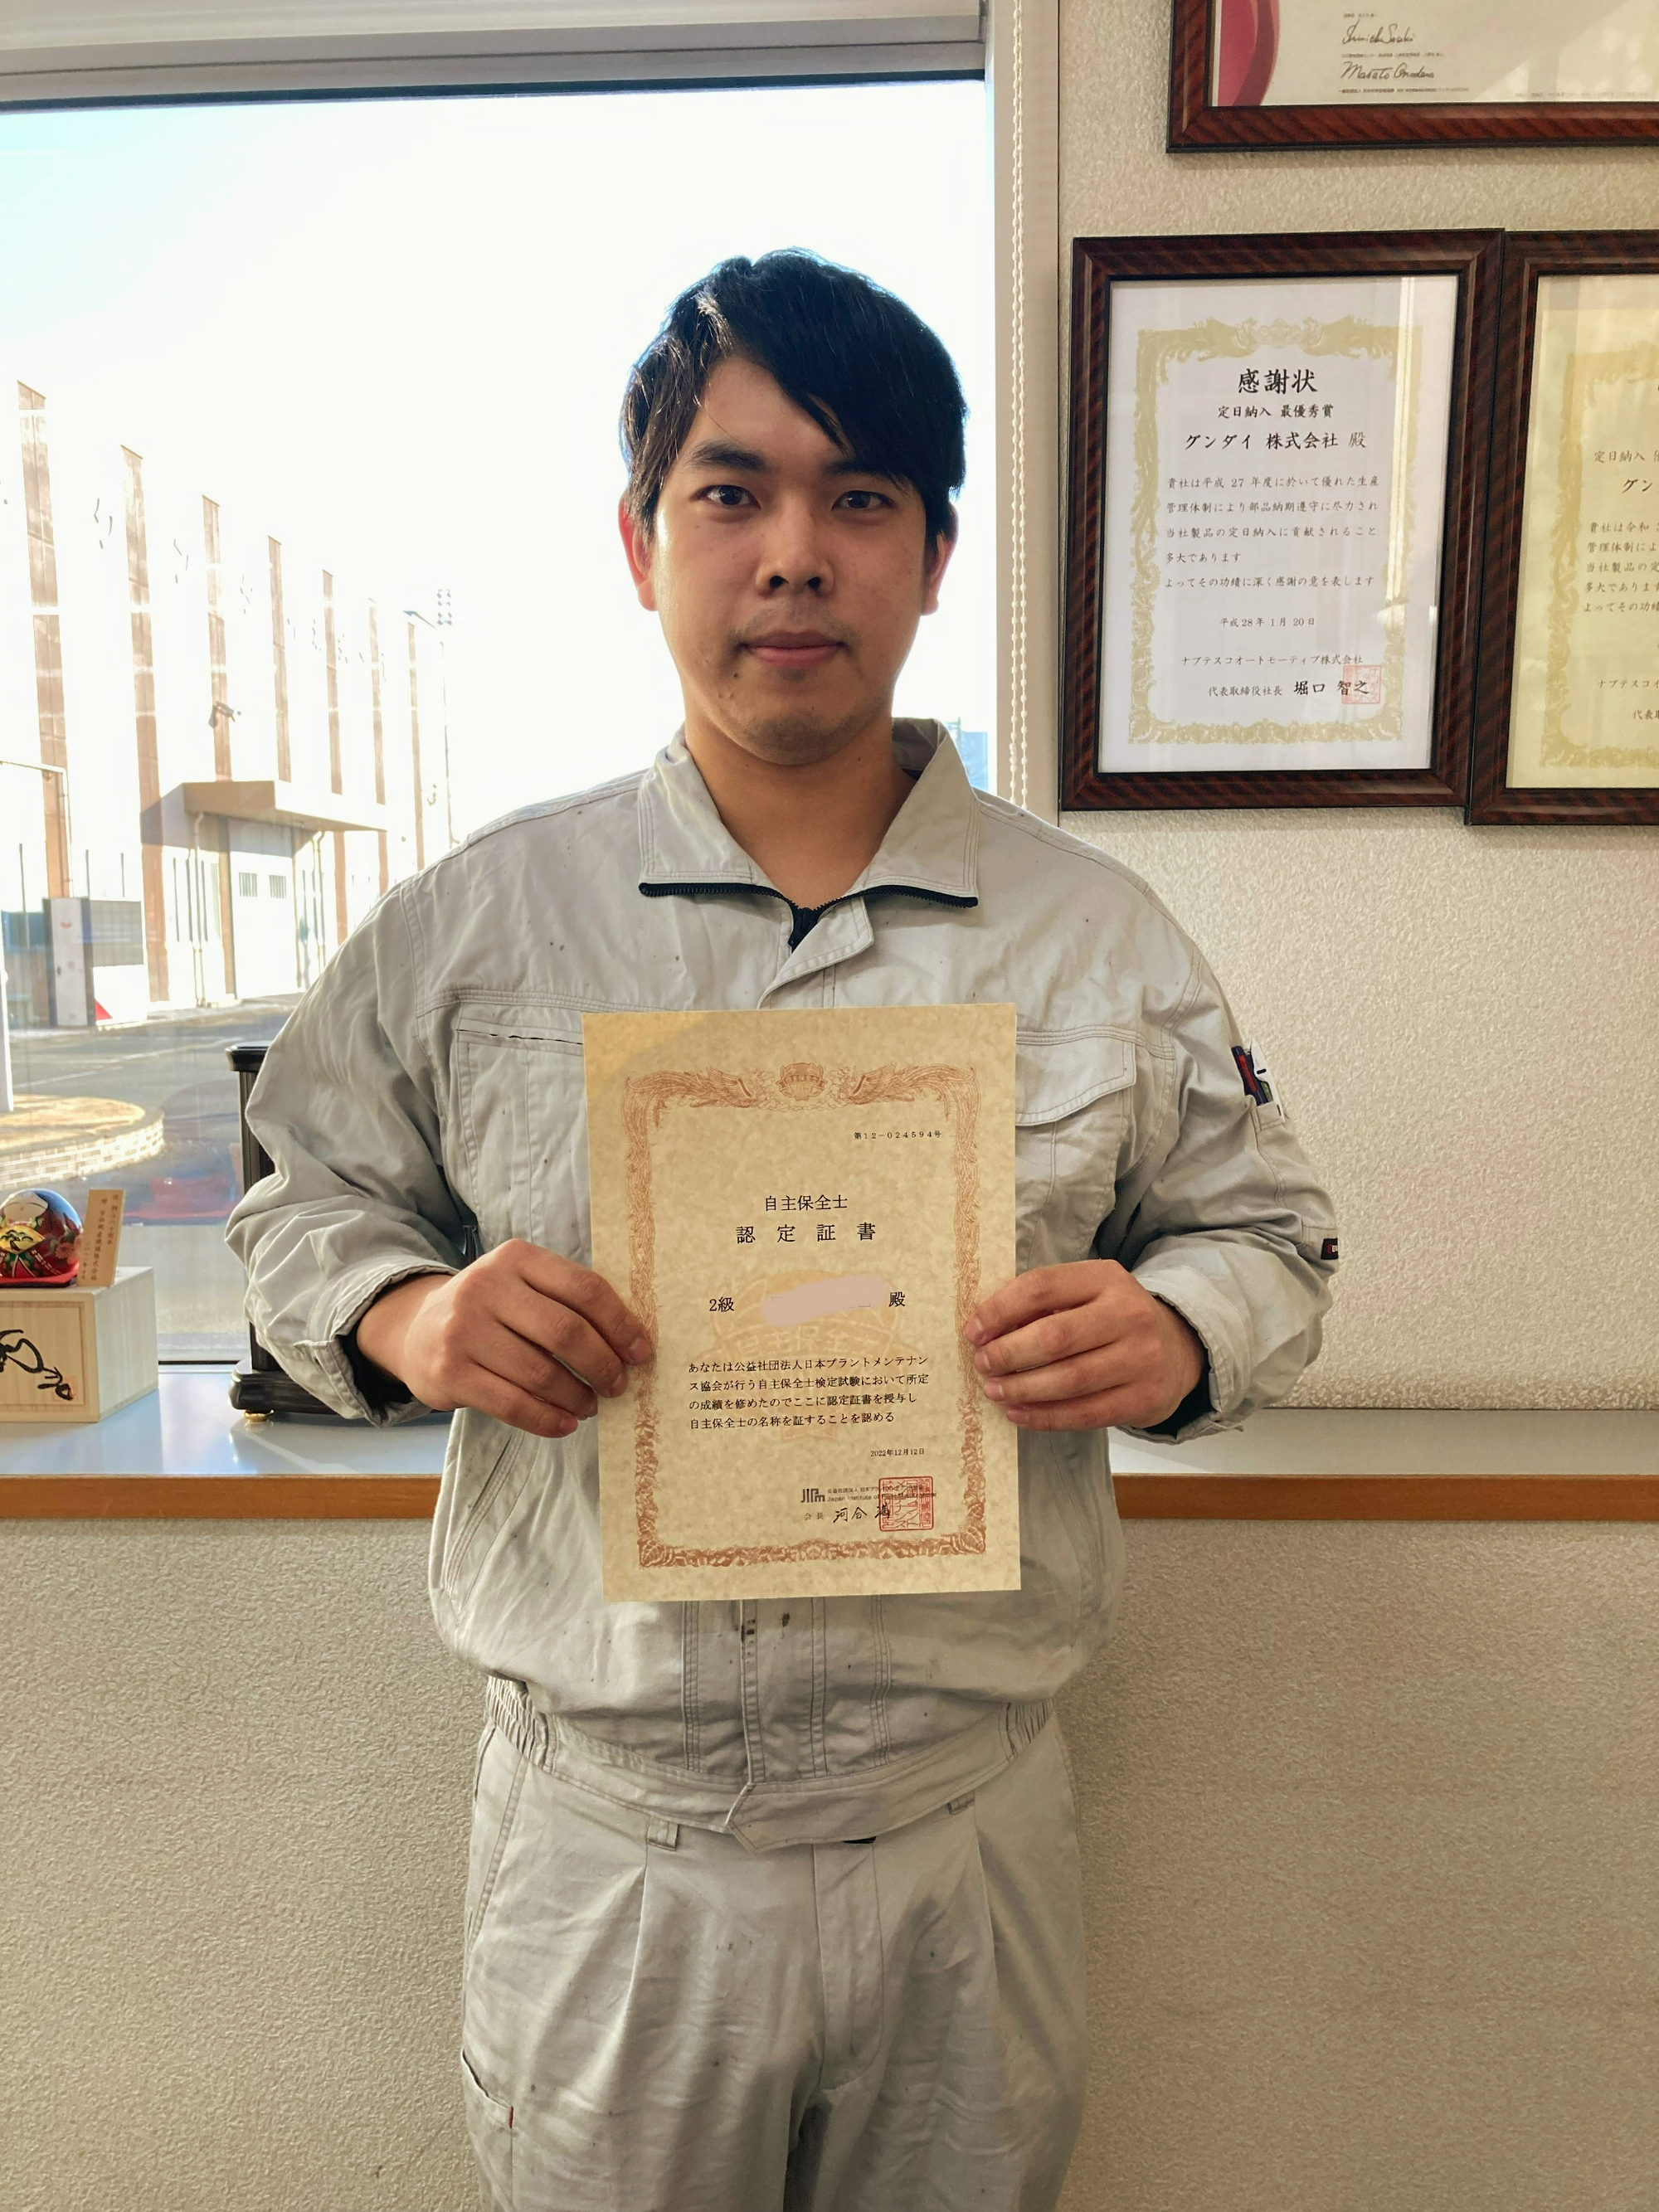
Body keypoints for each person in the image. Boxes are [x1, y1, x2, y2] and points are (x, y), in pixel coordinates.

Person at [227, 250, 1338, 2212]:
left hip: (962, 1826)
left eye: (860, 496)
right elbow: (299, 1198)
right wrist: (409, 1314)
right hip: (616, 1844)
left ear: (933, 555)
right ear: (639, 541)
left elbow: (1267, 1231)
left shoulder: (1098, 936)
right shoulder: (478, 926)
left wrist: (1176, 1330)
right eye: (730, 491)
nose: (795, 553)